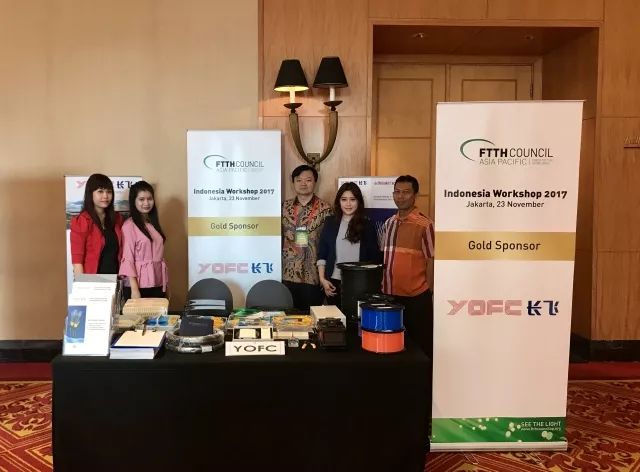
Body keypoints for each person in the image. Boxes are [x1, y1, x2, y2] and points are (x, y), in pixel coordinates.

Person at [381, 175, 435, 357]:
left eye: (406, 192)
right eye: (397, 192)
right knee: (392, 349)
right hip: (389, 298)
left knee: (419, 350)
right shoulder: (388, 223)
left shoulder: (426, 225)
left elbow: (434, 260)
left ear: (415, 195)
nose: (400, 196)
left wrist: (430, 290)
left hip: (416, 299)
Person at [317, 182, 382, 308]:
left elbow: (374, 258)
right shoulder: (330, 222)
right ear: (339, 201)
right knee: (336, 319)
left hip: (360, 284)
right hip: (333, 283)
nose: (348, 204)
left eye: (352, 199)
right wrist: (322, 280)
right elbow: (322, 253)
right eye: (344, 199)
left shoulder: (367, 225)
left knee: (356, 319)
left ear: (359, 202)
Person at [282, 164, 332, 312]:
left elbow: (329, 243)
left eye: (308, 180)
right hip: (287, 273)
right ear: (293, 183)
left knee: (311, 317)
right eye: (299, 180)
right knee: (287, 317)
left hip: (313, 275)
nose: (303, 184)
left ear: (315, 182)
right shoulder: (284, 207)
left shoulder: (325, 209)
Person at [119, 181, 169, 299]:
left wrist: (166, 286)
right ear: (134, 201)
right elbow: (128, 258)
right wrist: (135, 290)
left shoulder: (153, 224)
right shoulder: (129, 226)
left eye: (149, 199)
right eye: (141, 199)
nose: (146, 203)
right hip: (138, 286)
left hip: (158, 283)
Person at [70, 173, 123, 276]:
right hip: (93, 281)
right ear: (90, 194)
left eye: (109, 192)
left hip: (116, 278)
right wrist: (83, 283)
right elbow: (77, 262)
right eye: (100, 191)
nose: (105, 196)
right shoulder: (81, 221)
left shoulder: (117, 218)